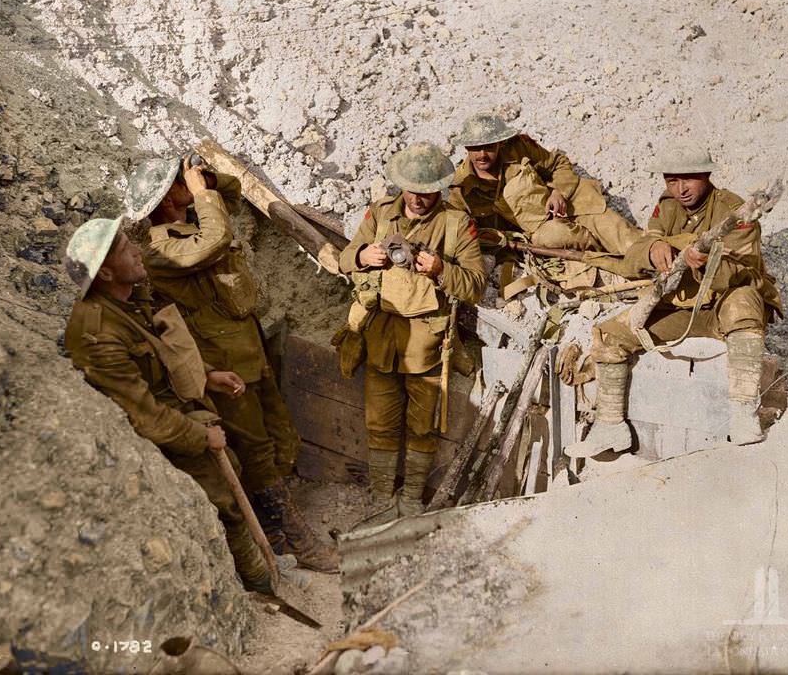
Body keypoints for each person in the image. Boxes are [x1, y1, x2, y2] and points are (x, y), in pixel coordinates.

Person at [124, 156, 337, 573]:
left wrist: (206, 181)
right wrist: (201, 194)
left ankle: (275, 535)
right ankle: (303, 542)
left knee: (277, 435)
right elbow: (215, 241)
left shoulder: (196, 219)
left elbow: (233, 194)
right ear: (164, 199)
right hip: (221, 360)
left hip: (247, 347)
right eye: (177, 183)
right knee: (255, 449)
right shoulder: (160, 247)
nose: (190, 185)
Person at [63, 217, 271, 592]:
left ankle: (260, 568)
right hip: (156, 435)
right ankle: (259, 582)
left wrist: (207, 375)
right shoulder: (97, 333)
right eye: (126, 249)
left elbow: (160, 354)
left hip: (177, 410)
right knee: (223, 500)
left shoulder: (128, 299)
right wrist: (201, 437)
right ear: (106, 272)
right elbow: (145, 417)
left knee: (234, 471)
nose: (137, 251)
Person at [566, 147, 783, 458]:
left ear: (707, 176)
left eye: (688, 180)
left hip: (721, 304)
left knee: (745, 303)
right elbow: (638, 248)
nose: (679, 190)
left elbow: (744, 271)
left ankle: (743, 414)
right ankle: (611, 425)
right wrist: (654, 247)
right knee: (611, 333)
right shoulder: (668, 206)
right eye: (671, 181)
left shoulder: (735, 212)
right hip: (682, 305)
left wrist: (706, 260)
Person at [337, 142, 486, 524]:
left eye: (428, 192)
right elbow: (343, 258)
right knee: (380, 423)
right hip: (381, 338)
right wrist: (361, 257)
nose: (419, 200)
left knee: (422, 426)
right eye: (412, 190)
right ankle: (383, 497)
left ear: (440, 188)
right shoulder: (381, 214)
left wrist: (440, 270)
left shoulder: (456, 223)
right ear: (399, 185)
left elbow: (474, 285)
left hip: (428, 344)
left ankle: (412, 498)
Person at [449, 112, 642, 286]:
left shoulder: (518, 148)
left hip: (575, 204)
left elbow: (558, 163)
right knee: (561, 238)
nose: (482, 155)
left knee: (628, 239)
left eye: (489, 146)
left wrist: (558, 192)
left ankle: (661, 261)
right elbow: (459, 229)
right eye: (476, 148)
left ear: (500, 143)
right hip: (545, 232)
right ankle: (621, 264)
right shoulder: (461, 187)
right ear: (466, 147)